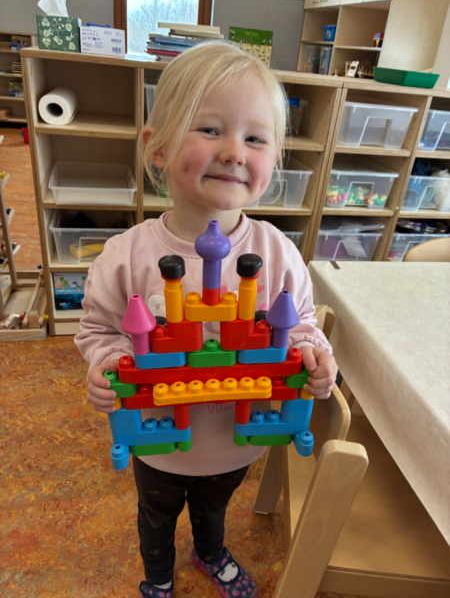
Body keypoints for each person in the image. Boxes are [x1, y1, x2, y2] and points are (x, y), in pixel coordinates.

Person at [75, 41, 338, 598]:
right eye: (211, 129)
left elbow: (299, 323)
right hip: (159, 441)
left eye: (255, 138)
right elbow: (98, 329)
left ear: (274, 160)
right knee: (156, 515)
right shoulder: (125, 255)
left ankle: (210, 553)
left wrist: (314, 354)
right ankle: (158, 575)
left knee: (214, 509)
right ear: (158, 148)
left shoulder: (277, 251)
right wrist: (107, 363)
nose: (235, 152)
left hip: (240, 439)